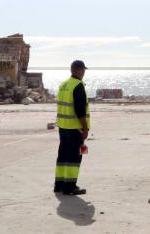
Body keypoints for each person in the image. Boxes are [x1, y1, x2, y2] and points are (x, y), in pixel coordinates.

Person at [54, 59, 90, 196]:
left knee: (63, 155)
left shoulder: (64, 85)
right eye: (83, 70)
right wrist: (85, 129)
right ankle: (70, 187)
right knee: (74, 157)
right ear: (77, 70)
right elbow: (80, 110)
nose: (84, 73)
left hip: (63, 126)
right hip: (75, 128)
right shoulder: (78, 86)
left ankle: (59, 185)